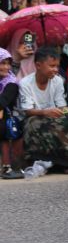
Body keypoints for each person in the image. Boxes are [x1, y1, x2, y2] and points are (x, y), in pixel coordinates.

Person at [0, 47, 23, 179]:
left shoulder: (11, 83)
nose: (6, 67)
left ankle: (8, 167)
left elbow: (2, 103)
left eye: (8, 63)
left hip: (8, 120)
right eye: (2, 63)